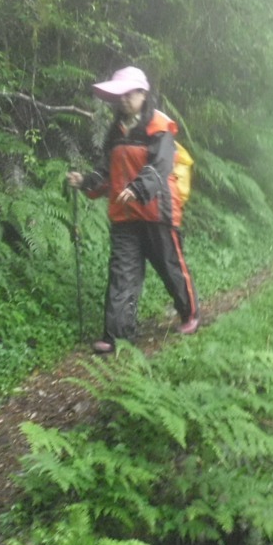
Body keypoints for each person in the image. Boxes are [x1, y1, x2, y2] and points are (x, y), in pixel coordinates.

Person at [67, 66, 200, 354]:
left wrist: (139, 188)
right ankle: (117, 334)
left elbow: (161, 165)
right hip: (124, 215)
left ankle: (190, 314)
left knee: (169, 266)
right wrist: (86, 181)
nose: (123, 100)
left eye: (129, 94)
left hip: (158, 212)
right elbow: (107, 170)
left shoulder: (159, 126)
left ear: (143, 93)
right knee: (122, 273)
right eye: (120, 96)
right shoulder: (115, 132)